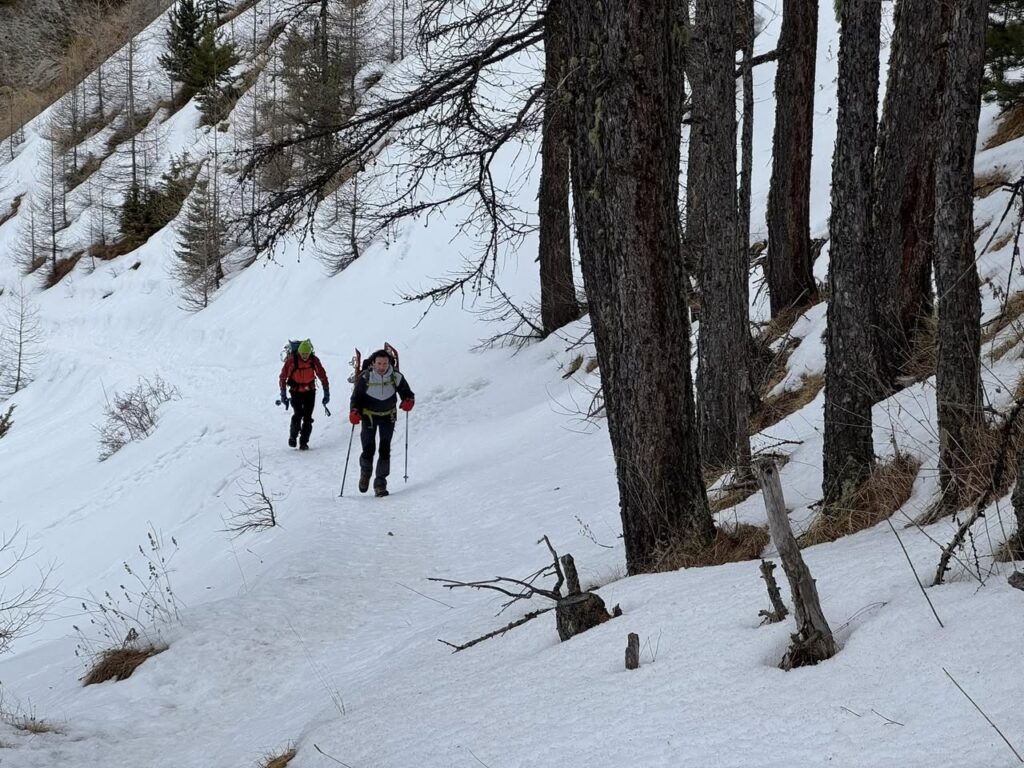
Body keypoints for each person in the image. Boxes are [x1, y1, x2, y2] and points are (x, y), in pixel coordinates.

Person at [348, 349, 414, 496]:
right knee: (368, 449)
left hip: (387, 417)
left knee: (384, 450)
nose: (382, 366)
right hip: (368, 416)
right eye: (379, 363)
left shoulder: (396, 377)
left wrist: (408, 401)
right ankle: (365, 472)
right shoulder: (366, 377)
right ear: (373, 363)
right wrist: (354, 411)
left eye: (385, 363)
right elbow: (356, 398)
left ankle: (380, 484)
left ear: (389, 363)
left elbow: (407, 393)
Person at [279, 339, 330, 450]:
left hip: (310, 392)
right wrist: (283, 393)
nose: (305, 356)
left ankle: (304, 442)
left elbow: (322, 375)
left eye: (307, 353)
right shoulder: (292, 361)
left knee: (307, 417)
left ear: (310, 352)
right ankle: (293, 437)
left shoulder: (314, 360)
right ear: (299, 352)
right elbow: (283, 377)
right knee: (298, 414)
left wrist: (326, 391)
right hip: (295, 392)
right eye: (303, 353)